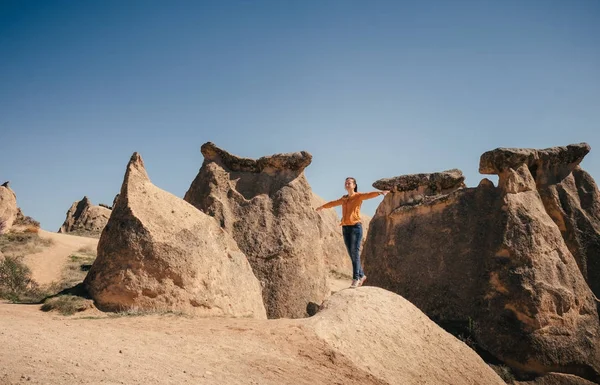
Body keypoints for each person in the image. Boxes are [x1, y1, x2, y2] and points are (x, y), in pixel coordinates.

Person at [316, 177, 389, 288]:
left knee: (355, 252)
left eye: (349, 182)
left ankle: (356, 278)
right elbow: (334, 203)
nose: (347, 184)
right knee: (351, 253)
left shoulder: (358, 196)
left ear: (354, 185)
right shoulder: (344, 198)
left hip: (355, 227)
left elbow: (368, 195)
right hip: (345, 228)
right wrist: (323, 206)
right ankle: (362, 274)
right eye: (346, 182)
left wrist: (380, 193)